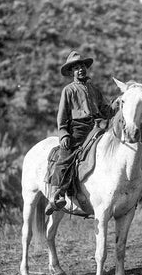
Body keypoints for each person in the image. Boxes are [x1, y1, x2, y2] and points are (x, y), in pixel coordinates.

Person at [45, 51, 114, 215]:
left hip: (96, 127)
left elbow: (105, 110)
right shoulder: (68, 90)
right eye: (76, 68)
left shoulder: (94, 89)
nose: (80, 69)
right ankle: (57, 194)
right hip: (77, 129)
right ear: (71, 72)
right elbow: (61, 116)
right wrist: (64, 134)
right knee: (66, 156)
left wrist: (117, 106)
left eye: (82, 66)